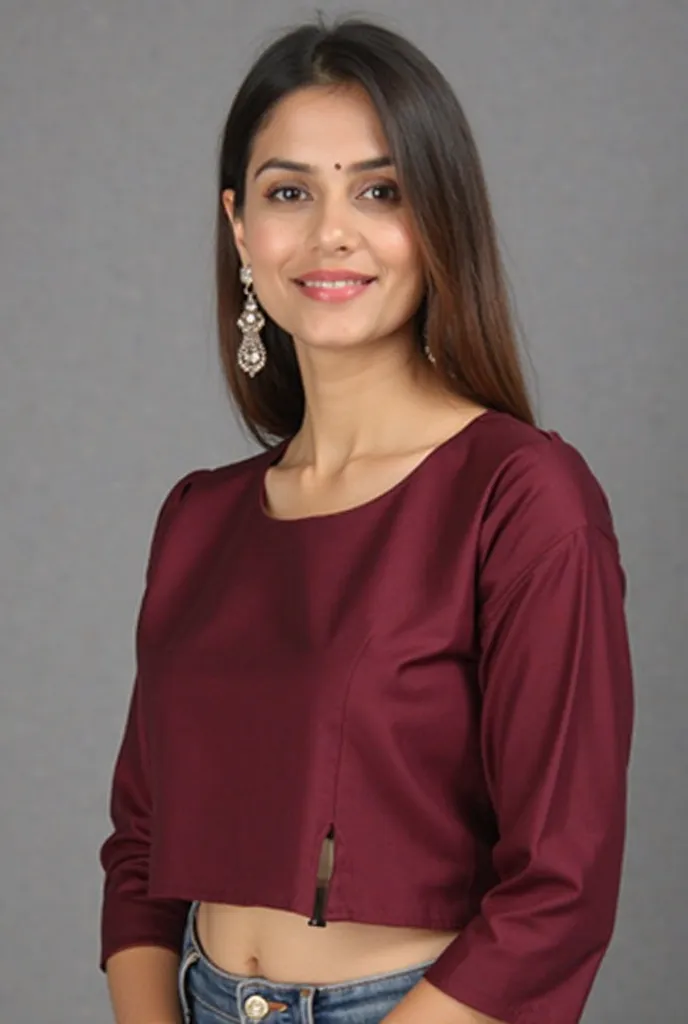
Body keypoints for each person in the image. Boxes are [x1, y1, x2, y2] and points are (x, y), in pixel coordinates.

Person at [98, 15, 634, 1024]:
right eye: (289, 191)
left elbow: (560, 886)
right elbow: (142, 840)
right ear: (240, 226)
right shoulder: (200, 518)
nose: (330, 232)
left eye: (379, 191)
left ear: (438, 220)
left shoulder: (518, 497)